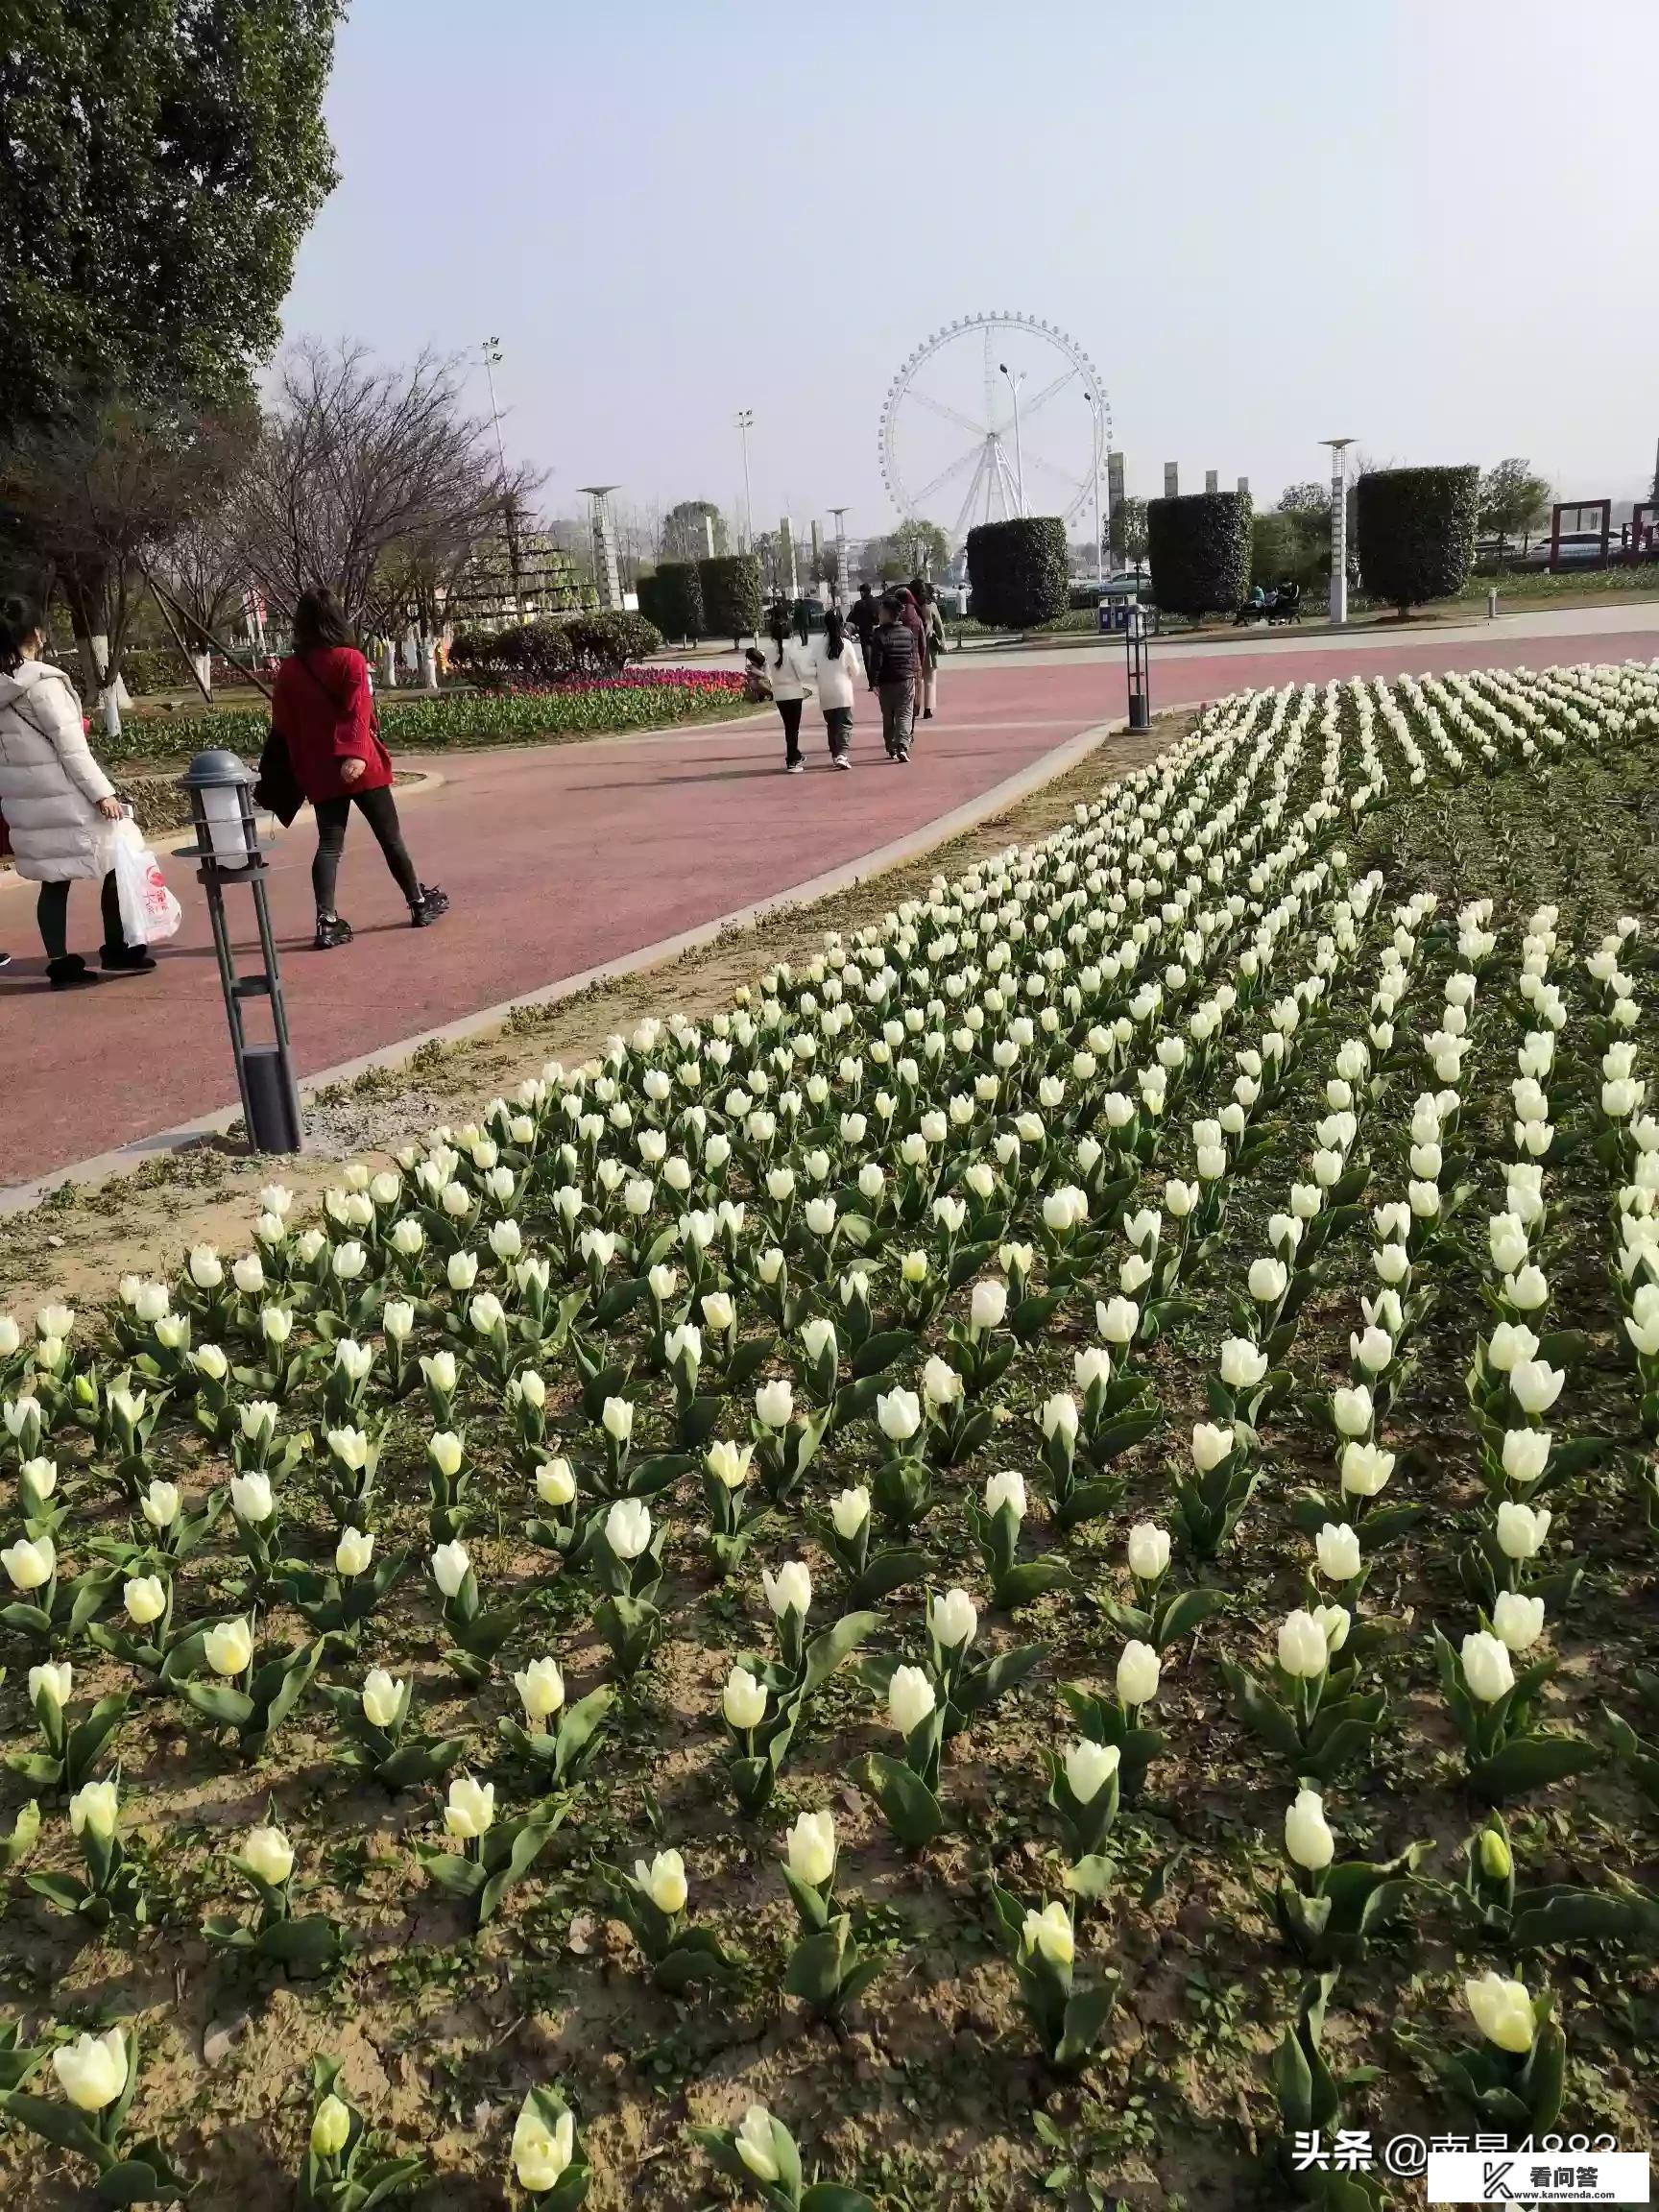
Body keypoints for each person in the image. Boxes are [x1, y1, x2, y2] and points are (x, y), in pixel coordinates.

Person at [272, 587, 448, 950]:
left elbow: (283, 725)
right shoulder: (350, 659)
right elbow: (358, 711)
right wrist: (354, 754)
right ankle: (418, 904)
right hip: (361, 766)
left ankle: (326, 920)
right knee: (390, 839)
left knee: (329, 846)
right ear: (337, 618)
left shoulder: (290, 669)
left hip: (320, 770)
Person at [0, 596, 156, 989]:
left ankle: (59, 962)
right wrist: (103, 793)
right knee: (117, 859)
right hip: (68, 796)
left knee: (54, 879)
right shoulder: (44, 684)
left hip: (27, 802)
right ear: (36, 633)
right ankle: (117, 947)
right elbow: (73, 750)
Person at [867, 592, 918, 762]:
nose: (878, 614)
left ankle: (891, 747)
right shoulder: (907, 632)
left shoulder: (879, 635)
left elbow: (876, 661)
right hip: (906, 678)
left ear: (888, 613)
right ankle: (903, 745)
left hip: (887, 681)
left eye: (881, 611)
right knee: (904, 713)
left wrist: (874, 682)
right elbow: (912, 654)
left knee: (888, 715)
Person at [806, 607, 858, 770]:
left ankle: (835, 754)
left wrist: (819, 677)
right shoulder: (847, 644)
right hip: (843, 691)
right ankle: (842, 753)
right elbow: (855, 670)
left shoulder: (817, 645)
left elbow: (809, 668)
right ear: (841, 623)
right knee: (844, 723)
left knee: (832, 724)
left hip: (825, 690)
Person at [764, 604, 813, 774]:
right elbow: (802, 672)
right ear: (790, 633)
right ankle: (792, 760)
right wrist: (815, 674)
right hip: (794, 692)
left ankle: (795, 754)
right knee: (794, 728)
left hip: (779, 693)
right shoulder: (792, 649)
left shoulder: (769, 650)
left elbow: (768, 672)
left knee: (789, 727)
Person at [911, 577, 946, 720]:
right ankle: (928, 709)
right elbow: (939, 626)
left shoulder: (909, 607)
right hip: (929, 647)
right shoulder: (930, 606)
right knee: (930, 680)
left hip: (912, 648)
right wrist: (942, 642)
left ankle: (914, 707)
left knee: (914, 681)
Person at [848, 582, 880, 682]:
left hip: (865, 634)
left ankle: (871, 682)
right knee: (878, 656)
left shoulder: (858, 604)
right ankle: (877, 679)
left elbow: (851, 619)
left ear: (862, 593)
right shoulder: (878, 602)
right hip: (877, 633)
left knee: (867, 659)